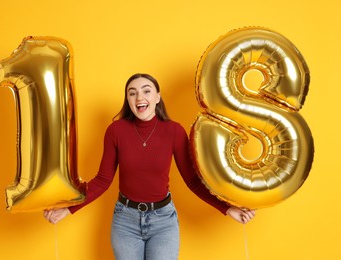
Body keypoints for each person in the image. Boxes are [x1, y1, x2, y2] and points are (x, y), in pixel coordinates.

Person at [44, 73, 255, 259]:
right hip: (125, 221)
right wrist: (68, 209)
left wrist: (227, 209)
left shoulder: (174, 131)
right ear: (127, 99)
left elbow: (192, 181)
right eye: (132, 93)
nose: (139, 98)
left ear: (157, 97)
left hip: (163, 222)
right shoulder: (116, 131)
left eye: (146, 91)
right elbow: (102, 181)